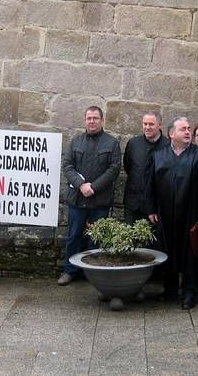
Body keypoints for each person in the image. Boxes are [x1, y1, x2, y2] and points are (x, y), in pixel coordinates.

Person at [144, 117, 198, 309]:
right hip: (165, 213)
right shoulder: (158, 155)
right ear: (171, 134)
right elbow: (149, 184)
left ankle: (190, 291)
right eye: (183, 129)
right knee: (167, 249)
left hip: (191, 212)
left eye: (189, 128)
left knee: (190, 253)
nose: (188, 132)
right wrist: (150, 208)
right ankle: (170, 288)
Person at [58, 106, 121, 286]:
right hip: (77, 200)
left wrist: (93, 187)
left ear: (102, 120)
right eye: (88, 118)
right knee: (73, 236)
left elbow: (114, 169)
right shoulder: (76, 141)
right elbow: (68, 166)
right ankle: (70, 271)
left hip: (99, 201)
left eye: (95, 118)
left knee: (96, 239)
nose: (91, 121)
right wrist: (81, 185)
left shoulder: (112, 143)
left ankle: (93, 273)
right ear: (85, 120)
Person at [123, 112, 168, 224]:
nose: (147, 127)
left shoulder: (168, 146)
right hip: (132, 204)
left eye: (151, 124)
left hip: (155, 208)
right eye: (145, 124)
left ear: (160, 125)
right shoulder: (133, 143)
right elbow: (128, 167)